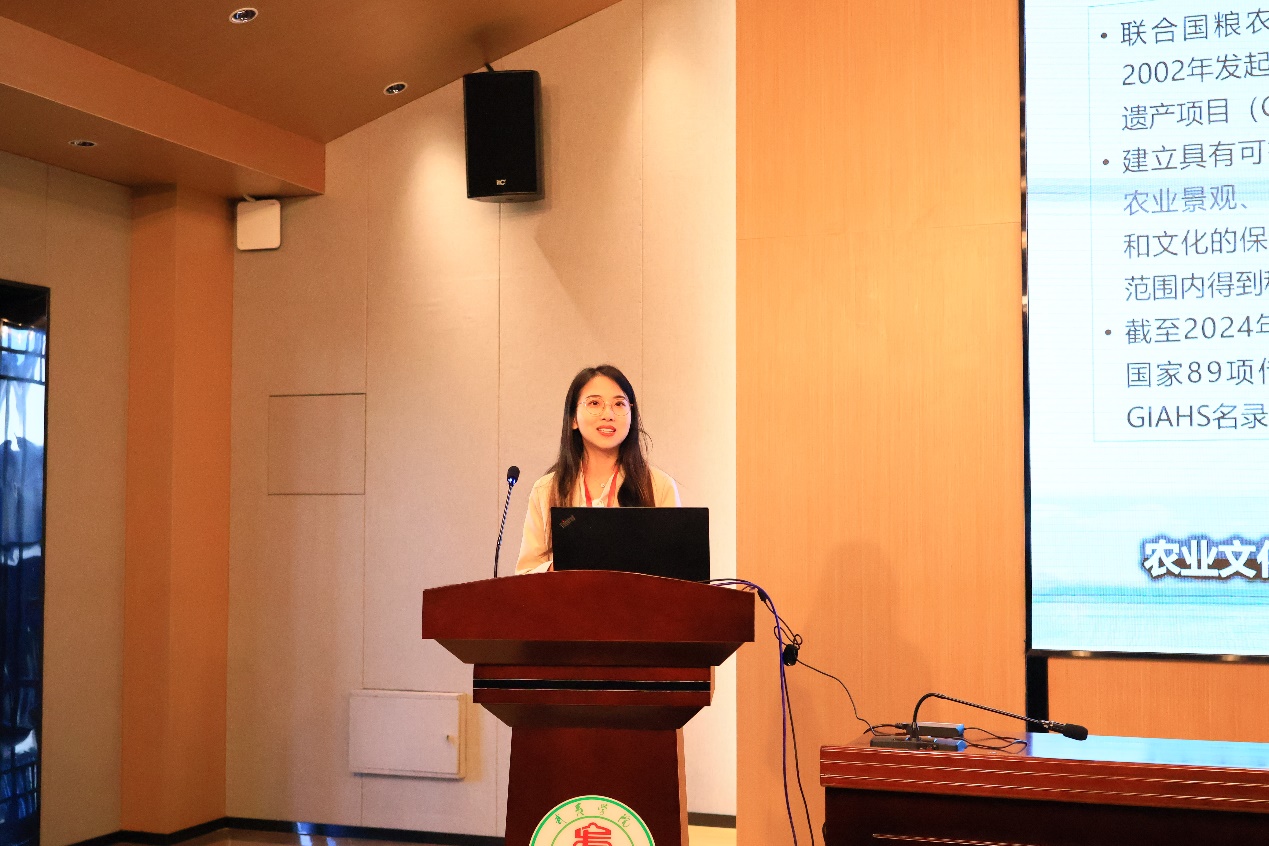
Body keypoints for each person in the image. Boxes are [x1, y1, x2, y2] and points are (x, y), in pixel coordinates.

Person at [515, 365, 680, 574]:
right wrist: (567, 564)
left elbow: (678, 576)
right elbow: (525, 576)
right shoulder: (547, 490)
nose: (608, 414)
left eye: (619, 404)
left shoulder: (658, 486)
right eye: (594, 403)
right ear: (573, 419)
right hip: (568, 595)